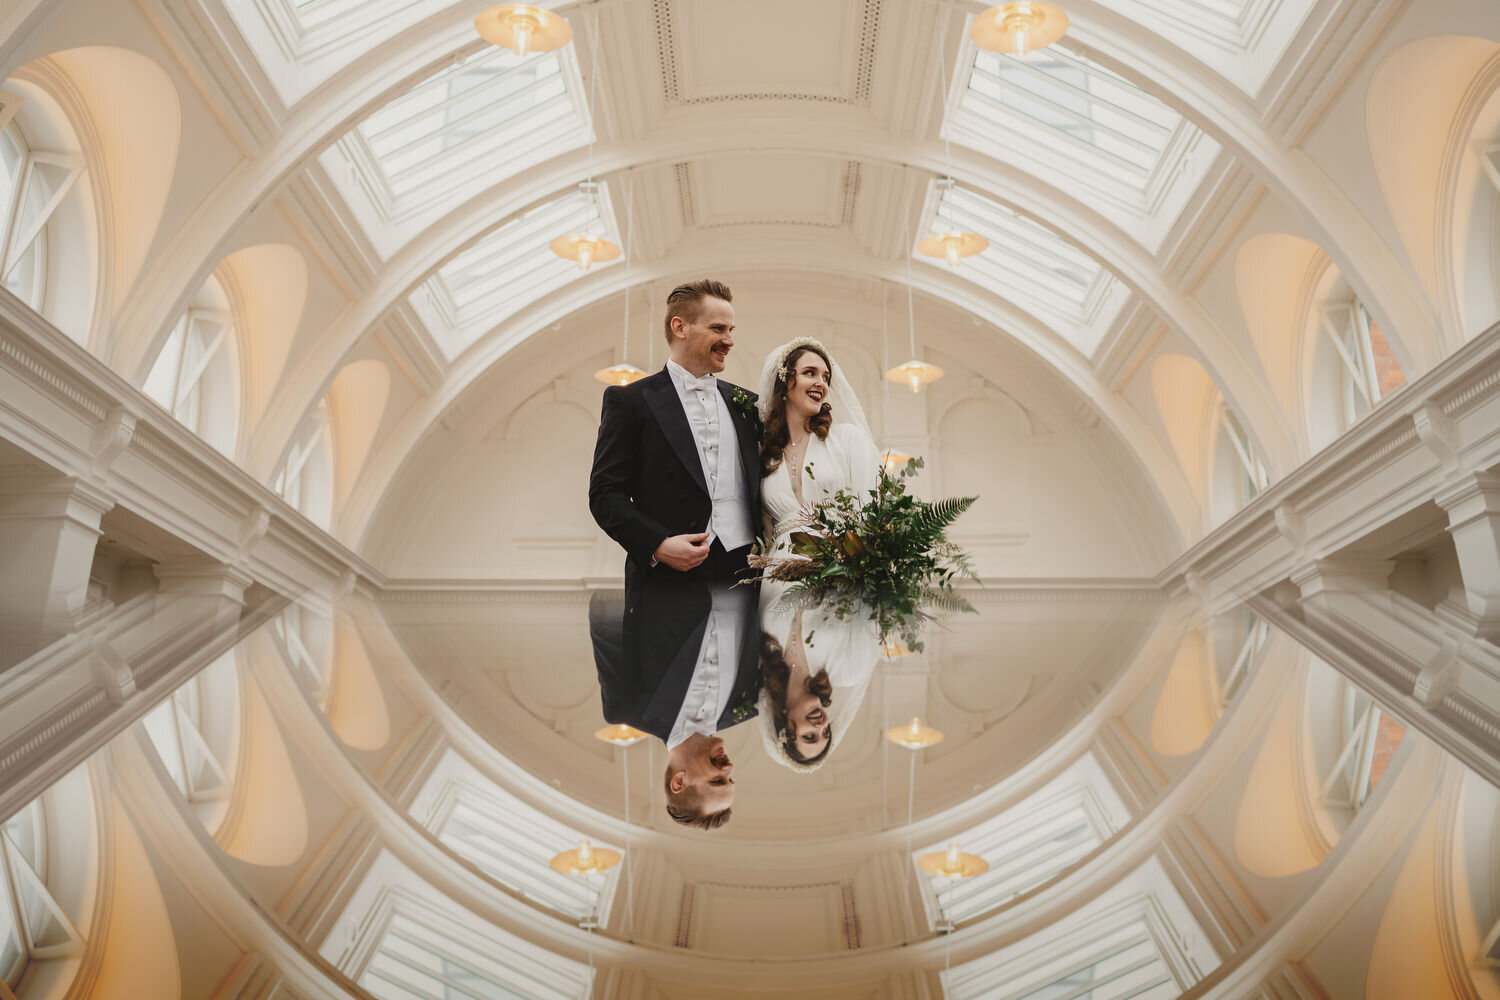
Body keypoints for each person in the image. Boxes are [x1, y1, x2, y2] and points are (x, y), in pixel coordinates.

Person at [754, 337, 883, 770]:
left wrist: (847, 561)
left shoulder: (846, 440)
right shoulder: (764, 458)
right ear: (785, 383)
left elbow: (870, 518)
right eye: (810, 373)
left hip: (839, 571)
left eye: (826, 377)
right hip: (776, 578)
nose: (821, 383)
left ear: (787, 727)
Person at [589, 279, 761, 588]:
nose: (729, 340)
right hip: (666, 580)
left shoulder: (747, 404)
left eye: (731, 330)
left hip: (745, 575)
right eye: (718, 329)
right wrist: (657, 545)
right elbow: (605, 494)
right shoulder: (629, 401)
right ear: (680, 327)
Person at [588, 574, 761, 830]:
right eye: (730, 779)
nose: (729, 768)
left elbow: (605, 610)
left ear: (679, 781)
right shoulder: (753, 706)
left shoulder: (626, 708)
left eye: (717, 781)